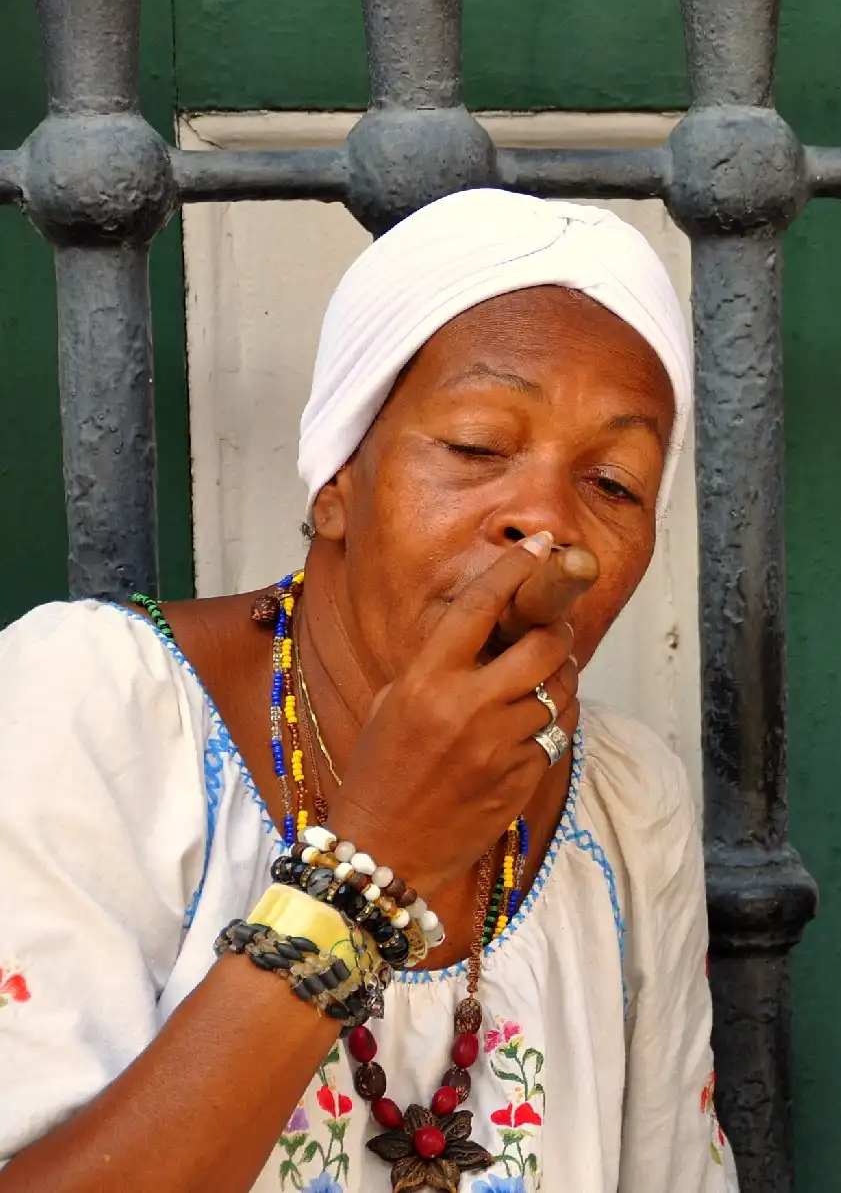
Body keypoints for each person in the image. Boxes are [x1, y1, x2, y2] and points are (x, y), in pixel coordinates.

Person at [0, 189, 737, 1193]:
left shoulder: (623, 804)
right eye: (478, 446)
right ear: (337, 478)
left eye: (613, 483)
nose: (544, 522)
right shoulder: (91, 710)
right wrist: (372, 866)